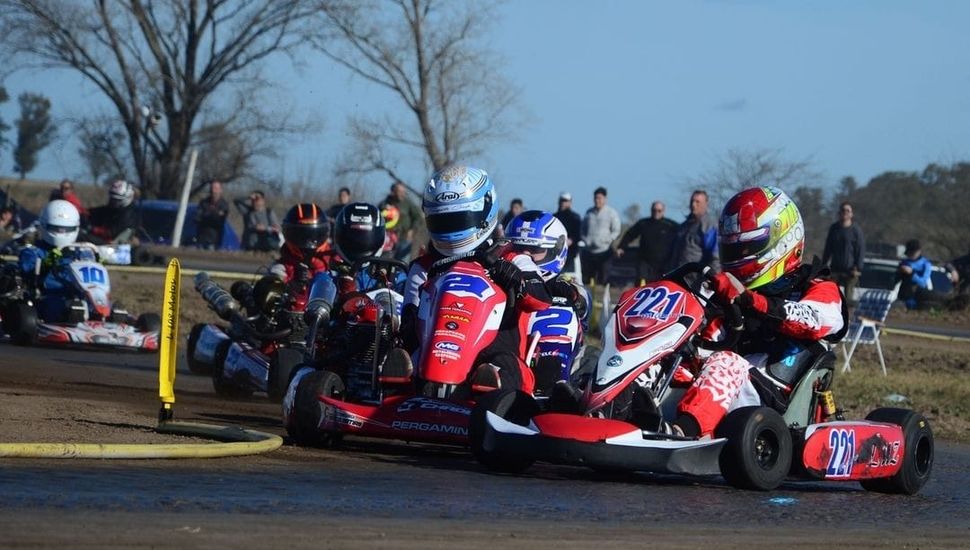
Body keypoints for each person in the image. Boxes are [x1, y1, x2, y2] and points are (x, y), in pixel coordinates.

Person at [660, 187, 845, 439]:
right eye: (733, 250)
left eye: (747, 249)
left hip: (773, 396)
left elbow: (814, 320)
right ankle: (622, 414)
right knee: (666, 357)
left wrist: (750, 300)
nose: (739, 257)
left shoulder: (815, 286)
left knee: (727, 362)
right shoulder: (731, 295)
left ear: (783, 240)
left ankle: (684, 433)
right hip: (724, 389)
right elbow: (711, 339)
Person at [396, 165, 565, 393]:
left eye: (458, 220)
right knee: (408, 352)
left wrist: (516, 280)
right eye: (443, 222)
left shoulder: (510, 256)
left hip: (494, 348)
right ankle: (399, 386)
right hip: (434, 345)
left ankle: (491, 393)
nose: (450, 229)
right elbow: (409, 316)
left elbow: (541, 299)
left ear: (484, 213)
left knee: (504, 364)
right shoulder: (424, 266)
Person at [17, 200, 85, 321]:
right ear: (44, 225)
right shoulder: (32, 252)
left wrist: (96, 262)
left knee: (96, 305)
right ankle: (71, 319)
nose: (61, 233)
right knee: (55, 305)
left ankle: (112, 320)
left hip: (79, 297)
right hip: (47, 297)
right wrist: (46, 263)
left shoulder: (81, 253)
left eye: (66, 229)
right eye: (56, 229)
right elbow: (27, 272)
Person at [268, 203, 335, 283]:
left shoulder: (336, 264)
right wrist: (294, 285)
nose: (308, 243)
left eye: (313, 235)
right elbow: (272, 290)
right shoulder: (280, 269)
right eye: (302, 235)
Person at [615, 200, 678, 285]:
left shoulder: (671, 225)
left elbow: (682, 236)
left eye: (659, 210)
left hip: (663, 264)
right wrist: (621, 247)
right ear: (651, 210)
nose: (656, 212)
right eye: (654, 210)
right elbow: (630, 234)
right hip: (644, 263)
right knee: (641, 287)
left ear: (663, 211)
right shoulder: (643, 223)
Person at [822, 201, 865, 305]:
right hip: (835, 268)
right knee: (831, 295)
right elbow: (828, 248)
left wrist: (858, 267)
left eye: (848, 210)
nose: (845, 212)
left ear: (851, 214)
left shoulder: (856, 230)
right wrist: (823, 265)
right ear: (839, 213)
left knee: (847, 300)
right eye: (843, 210)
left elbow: (860, 249)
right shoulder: (834, 228)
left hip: (850, 270)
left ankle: (847, 318)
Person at [666, 190, 719, 275]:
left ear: (706, 204)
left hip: (696, 280)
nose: (693, 205)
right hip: (677, 278)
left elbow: (715, 256)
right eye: (692, 201)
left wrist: (714, 278)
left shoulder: (709, 226)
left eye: (697, 202)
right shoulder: (683, 227)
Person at [579, 187, 621, 286]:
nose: (597, 200)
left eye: (599, 198)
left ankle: (602, 300)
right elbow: (582, 228)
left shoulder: (612, 213)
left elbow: (616, 230)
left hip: (604, 251)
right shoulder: (589, 212)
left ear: (605, 199)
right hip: (589, 251)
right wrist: (585, 239)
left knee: (604, 279)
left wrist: (607, 240)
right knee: (587, 279)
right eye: (595, 198)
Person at [379, 181, 422, 262]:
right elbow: (378, 216)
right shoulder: (385, 203)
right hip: (388, 239)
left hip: (404, 237)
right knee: (384, 261)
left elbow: (418, 217)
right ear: (393, 191)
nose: (402, 194)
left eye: (404, 192)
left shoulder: (408, 203)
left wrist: (412, 230)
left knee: (401, 261)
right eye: (400, 191)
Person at [87, 179, 138, 244]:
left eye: (117, 200)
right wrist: (85, 212)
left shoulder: (127, 215)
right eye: (112, 199)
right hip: (106, 241)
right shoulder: (114, 209)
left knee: (81, 236)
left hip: (110, 244)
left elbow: (111, 233)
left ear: (127, 198)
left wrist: (92, 229)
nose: (113, 202)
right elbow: (99, 211)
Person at [897, 239, 934, 310]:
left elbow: (923, 283)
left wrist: (912, 273)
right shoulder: (904, 262)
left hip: (917, 296)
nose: (910, 255)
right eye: (909, 252)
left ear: (918, 251)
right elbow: (896, 280)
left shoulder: (925, 264)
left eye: (912, 252)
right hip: (903, 294)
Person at [195, 180, 229, 249]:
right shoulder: (203, 202)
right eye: (212, 188)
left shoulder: (224, 205)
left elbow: (218, 221)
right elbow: (198, 218)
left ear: (220, 190)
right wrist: (214, 213)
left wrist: (208, 214)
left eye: (216, 188)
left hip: (214, 240)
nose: (214, 191)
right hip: (201, 238)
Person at [554, 191, 582, 273]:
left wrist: (570, 240)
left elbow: (578, 235)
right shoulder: (554, 217)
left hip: (570, 253)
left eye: (565, 201)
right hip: (555, 252)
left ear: (570, 202)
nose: (563, 203)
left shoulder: (575, 218)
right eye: (562, 200)